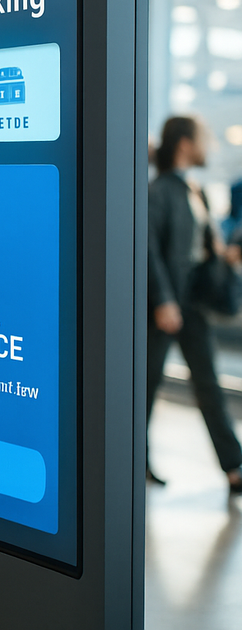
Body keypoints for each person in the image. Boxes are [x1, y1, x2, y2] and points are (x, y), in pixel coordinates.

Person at [146, 115, 242, 495]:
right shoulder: (159, 192)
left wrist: (225, 256)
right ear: (185, 144)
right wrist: (163, 301)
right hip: (165, 307)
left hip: (193, 305)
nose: (211, 146)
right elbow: (148, 250)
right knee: (145, 387)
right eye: (205, 138)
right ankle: (136, 460)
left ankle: (234, 466)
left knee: (209, 385)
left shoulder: (196, 191)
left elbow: (201, 251)